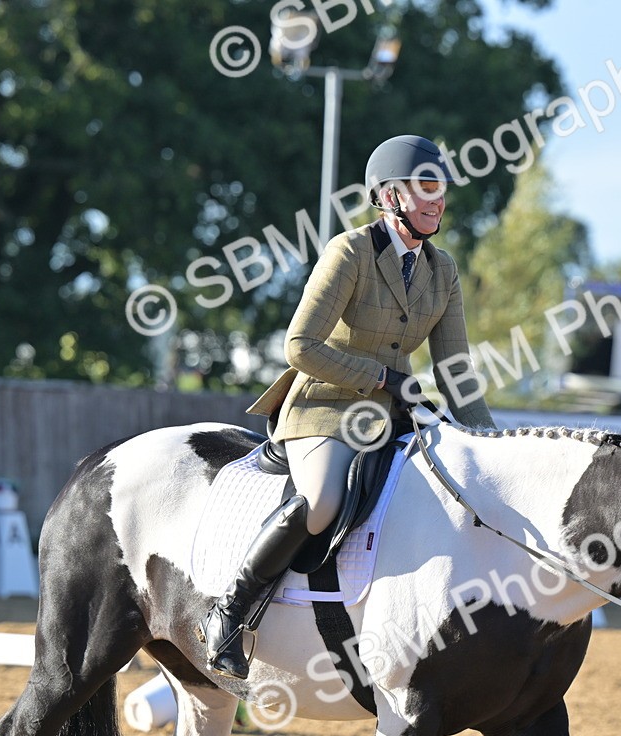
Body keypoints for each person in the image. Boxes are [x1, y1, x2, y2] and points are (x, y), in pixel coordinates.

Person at [198, 134, 496, 679]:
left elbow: (456, 372)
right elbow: (299, 346)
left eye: (442, 188)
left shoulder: (443, 270)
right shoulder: (350, 251)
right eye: (425, 187)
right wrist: (382, 377)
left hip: (393, 417)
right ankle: (230, 612)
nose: (436, 200)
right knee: (320, 502)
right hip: (323, 408)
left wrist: (492, 446)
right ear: (389, 195)